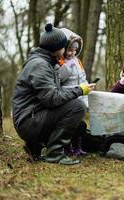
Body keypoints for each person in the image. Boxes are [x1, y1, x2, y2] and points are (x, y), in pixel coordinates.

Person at [12, 23, 95, 165]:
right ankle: (55, 153)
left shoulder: (45, 62)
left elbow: (50, 95)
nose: (65, 51)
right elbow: (52, 99)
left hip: (32, 117)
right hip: (28, 121)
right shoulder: (40, 65)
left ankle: (35, 146)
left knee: (76, 119)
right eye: (64, 47)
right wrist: (80, 90)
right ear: (58, 48)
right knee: (77, 107)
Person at [54, 28, 88, 156]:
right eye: (69, 49)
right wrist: (68, 66)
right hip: (67, 97)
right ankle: (66, 147)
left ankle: (77, 146)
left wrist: (85, 98)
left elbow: (83, 78)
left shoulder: (78, 61)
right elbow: (59, 79)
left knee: (79, 125)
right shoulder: (59, 62)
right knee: (69, 125)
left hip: (79, 95)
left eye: (75, 50)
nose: (72, 53)